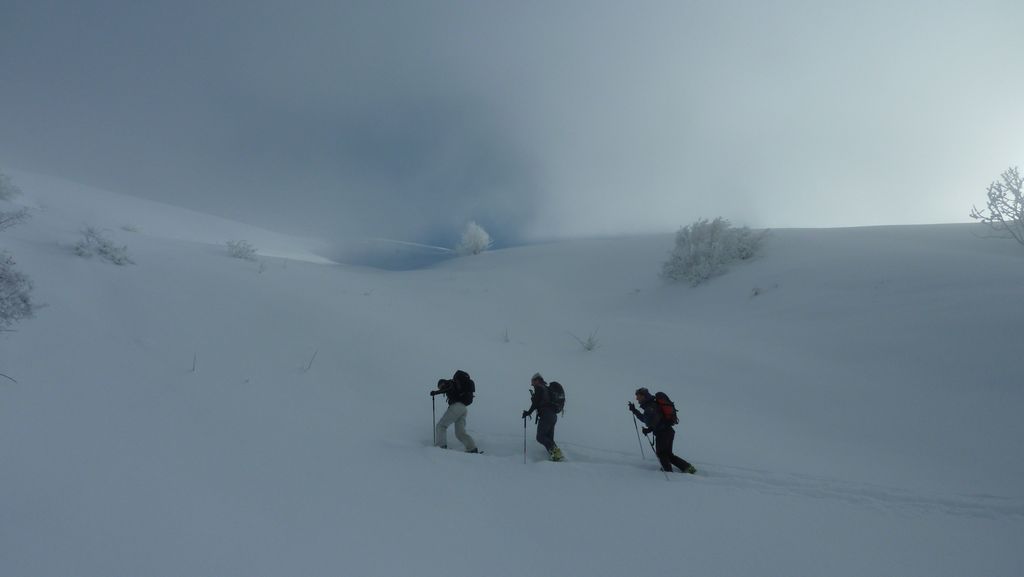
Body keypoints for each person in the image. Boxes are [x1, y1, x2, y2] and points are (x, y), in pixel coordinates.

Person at [629, 387, 696, 474]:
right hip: (668, 431)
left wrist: (635, 411)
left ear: (643, 396)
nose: (636, 399)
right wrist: (649, 429)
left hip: (663, 433)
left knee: (661, 454)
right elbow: (656, 421)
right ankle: (688, 468)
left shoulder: (650, 407)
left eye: (638, 396)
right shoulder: (653, 403)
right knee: (668, 454)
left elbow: (647, 421)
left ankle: (667, 471)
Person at [430, 370, 479, 453]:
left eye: (440, 385)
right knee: (460, 433)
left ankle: (440, 447)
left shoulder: (450, 383)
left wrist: (436, 392)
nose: (441, 387)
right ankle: (472, 448)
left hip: (456, 407)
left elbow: (448, 388)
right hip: (463, 408)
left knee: (441, 426)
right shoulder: (455, 386)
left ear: (443, 382)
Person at [522, 372, 564, 461]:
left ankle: (557, 455)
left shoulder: (539, 388)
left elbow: (536, 403)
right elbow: (540, 402)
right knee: (549, 438)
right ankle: (557, 456)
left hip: (546, 415)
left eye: (532, 381)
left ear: (537, 380)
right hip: (553, 416)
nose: (532, 384)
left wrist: (528, 412)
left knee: (540, 437)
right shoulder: (546, 389)